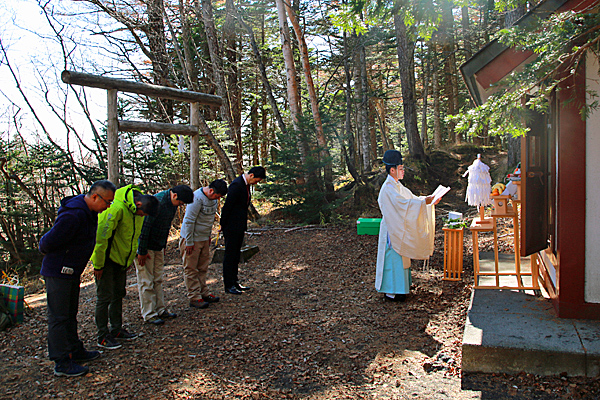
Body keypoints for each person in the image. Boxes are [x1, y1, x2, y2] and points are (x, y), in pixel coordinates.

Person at [39, 180, 116, 377]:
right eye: (107, 202)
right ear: (95, 196)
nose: (108, 206)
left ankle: (75, 350)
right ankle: (61, 362)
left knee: (70, 313)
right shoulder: (74, 214)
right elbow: (48, 242)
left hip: (72, 271)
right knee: (58, 317)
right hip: (58, 271)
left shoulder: (89, 212)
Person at [91, 184, 159, 349]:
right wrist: (99, 265)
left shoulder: (138, 210)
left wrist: (129, 259)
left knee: (118, 294)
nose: (142, 216)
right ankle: (102, 335)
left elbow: (133, 236)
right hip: (106, 261)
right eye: (143, 214)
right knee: (104, 297)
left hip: (122, 261)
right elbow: (101, 239)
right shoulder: (117, 208)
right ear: (139, 205)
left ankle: (116, 329)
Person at [376, 150, 439, 302]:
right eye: (401, 168)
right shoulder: (388, 188)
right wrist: (424, 202)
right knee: (392, 259)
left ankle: (400, 289)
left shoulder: (397, 186)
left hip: (398, 227)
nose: (403, 171)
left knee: (401, 257)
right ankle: (391, 291)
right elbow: (404, 204)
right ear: (393, 170)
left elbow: (411, 199)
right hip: (392, 229)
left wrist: (426, 200)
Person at [135, 185, 194, 325]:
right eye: (180, 203)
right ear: (174, 196)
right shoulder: (158, 202)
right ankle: (149, 314)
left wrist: (163, 245)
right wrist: (142, 252)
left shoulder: (172, 204)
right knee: (146, 281)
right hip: (146, 248)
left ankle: (160, 309)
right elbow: (144, 228)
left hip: (158, 246)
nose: (180, 206)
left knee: (158, 279)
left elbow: (166, 226)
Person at [179, 179, 228, 309]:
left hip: (204, 238)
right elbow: (189, 221)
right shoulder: (197, 198)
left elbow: (209, 219)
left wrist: (208, 236)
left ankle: (203, 293)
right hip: (192, 240)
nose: (217, 199)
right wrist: (189, 242)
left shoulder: (213, 199)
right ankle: (194, 297)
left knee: (202, 267)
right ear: (211, 190)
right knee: (191, 268)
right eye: (217, 196)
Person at [220, 166, 266, 294]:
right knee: (230, 255)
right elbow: (227, 206)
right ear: (251, 175)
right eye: (256, 180)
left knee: (236, 255)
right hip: (231, 226)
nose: (256, 183)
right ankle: (229, 284)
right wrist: (223, 225)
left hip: (239, 225)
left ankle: (235, 282)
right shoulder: (236, 185)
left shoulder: (245, 185)